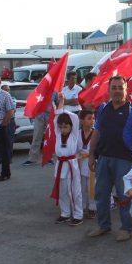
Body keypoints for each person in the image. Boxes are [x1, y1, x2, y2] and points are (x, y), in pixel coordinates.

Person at [88, 75, 132, 240]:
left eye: (121, 87)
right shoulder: (103, 108)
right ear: (108, 90)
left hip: (124, 159)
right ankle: (103, 225)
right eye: (114, 87)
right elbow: (96, 132)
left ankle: (126, 228)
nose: (117, 91)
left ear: (126, 90)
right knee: (101, 194)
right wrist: (92, 155)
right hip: (103, 158)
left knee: (124, 195)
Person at [50, 94, 83, 226]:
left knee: (75, 191)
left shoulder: (74, 134)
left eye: (66, 127)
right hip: (60, 164)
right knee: (62, 190)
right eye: (61, 127)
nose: (63, 130)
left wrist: (63, 107)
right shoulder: (58, 134)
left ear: (71, 127)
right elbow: (56, 118)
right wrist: (60, 104)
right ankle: (65, 213)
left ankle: (78, 215)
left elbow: (74, 118)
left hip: (71, 164)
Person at [78, 110, 96, 219]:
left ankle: (92, 207)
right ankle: (82, 206)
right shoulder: (77, 133)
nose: (92, 121)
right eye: (89, 118)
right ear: (81, 120)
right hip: (80, 161)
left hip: (92, 161)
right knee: (81, 186)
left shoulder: (96, 133)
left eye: (93, 118)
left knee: (92, 186)